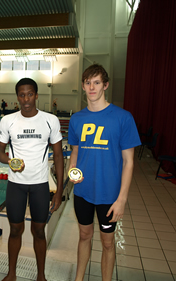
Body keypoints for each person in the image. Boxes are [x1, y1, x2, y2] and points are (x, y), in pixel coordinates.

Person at [67, 64, 141, 281]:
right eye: (88, 82)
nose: (92, 87)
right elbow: (75, 152)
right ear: (82, 86)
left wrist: (122, 199)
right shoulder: (76, 119)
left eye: (97, 82)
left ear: (105, 85)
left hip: (109, 195)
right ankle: (79, 278)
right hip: (83, 192)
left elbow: (128, 162)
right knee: (84, 235)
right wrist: (72, 170)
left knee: (108, 243)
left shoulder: (123, 117)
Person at [0, 78, 64, 281]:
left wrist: (59, 191)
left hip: (40, 185)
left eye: (30, 94)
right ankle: (12, 272)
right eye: (22, 95)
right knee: (15, 229)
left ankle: (41, 275)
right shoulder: (8, 120)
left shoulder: (50, 120)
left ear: (36, 95)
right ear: (17, 97)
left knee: (39, 230)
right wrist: (10, 161)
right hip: (16, 184)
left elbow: (59, 157)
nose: (26, 99)